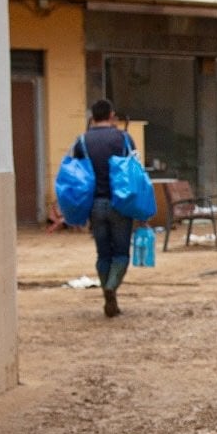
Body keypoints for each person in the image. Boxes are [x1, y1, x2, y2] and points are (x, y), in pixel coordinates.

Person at [73, 99, 136, 317]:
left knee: (103, 254)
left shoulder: (81, 141)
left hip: (95, 205)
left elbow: (76, 175)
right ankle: (112, 287)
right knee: (121, 253)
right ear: (111, 115)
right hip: (121, 203)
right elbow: (134, 172)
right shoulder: (124, 139)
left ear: (93, 117)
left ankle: (108, 295)